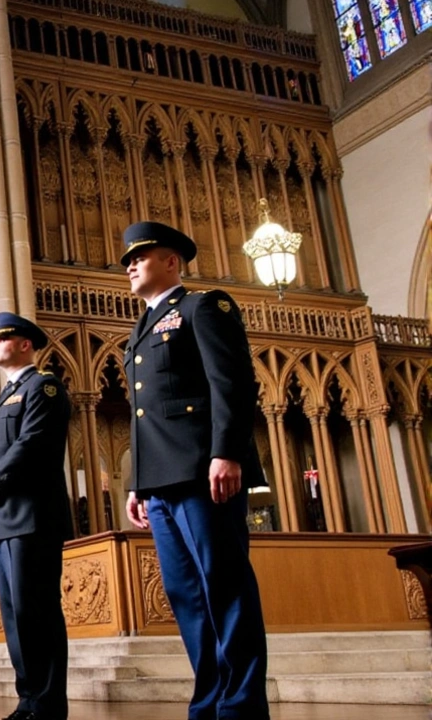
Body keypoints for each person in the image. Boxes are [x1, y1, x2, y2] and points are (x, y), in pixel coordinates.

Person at [120, 221, 270, 720]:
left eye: (142, 256)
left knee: (224, 585)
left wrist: (226, 452)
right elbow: (146, 414)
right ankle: (209, 701)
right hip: (161, 483)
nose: (131, 265)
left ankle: (242, 705)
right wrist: (138, 485)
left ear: (172, 262)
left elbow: (232, 383)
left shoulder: (203, 307)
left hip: (205, 475)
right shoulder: (141, 330)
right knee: (185, 594)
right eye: (127, 260)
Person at [0, 313, 73, 720]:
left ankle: (46, 703)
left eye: (2, 338)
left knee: (37, 611)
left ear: (26, 344)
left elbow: (31, 445)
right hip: (2, 519)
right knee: (14, 616)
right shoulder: (0, 400)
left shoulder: (42, 387)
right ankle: (29, 699)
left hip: (32, 516)